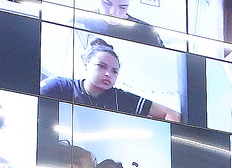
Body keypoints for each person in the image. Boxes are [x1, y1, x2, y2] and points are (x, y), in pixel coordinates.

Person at [42, 38, 180, 122]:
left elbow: (172, 114)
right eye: (101, 66)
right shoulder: (59, 86)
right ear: (86, 64)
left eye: (115, 71)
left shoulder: (120, 97)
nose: (108, 74)